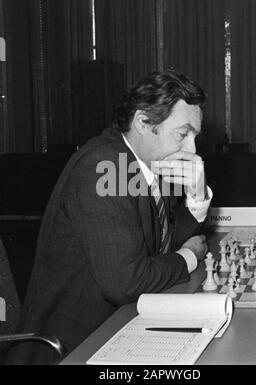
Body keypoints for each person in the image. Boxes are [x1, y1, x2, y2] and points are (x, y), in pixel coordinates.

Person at [9, 69, 212, 364]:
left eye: (195, 137)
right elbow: (128, 283)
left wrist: (196, 196)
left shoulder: (145, 164)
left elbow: (163, 252)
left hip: (120, 326)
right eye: (183, 134)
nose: (192, 150)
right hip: (72, 346)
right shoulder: (106, 165)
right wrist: (190, 256)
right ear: (143, 122)